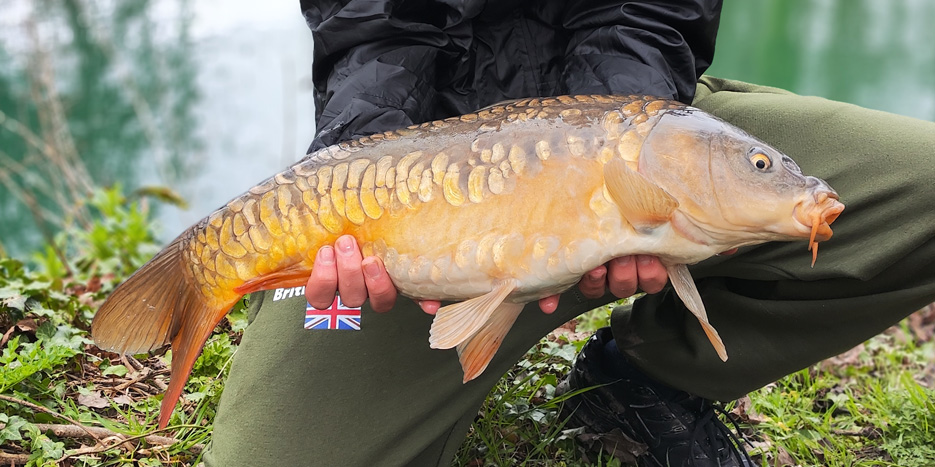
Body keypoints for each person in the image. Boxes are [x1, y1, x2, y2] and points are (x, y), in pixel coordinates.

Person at [202, 1, 935, 466]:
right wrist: (373, 158)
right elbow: (370, 19)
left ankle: (645, 378)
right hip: (421, 158)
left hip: (635, 120)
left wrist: (618, 130)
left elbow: (650, 10)